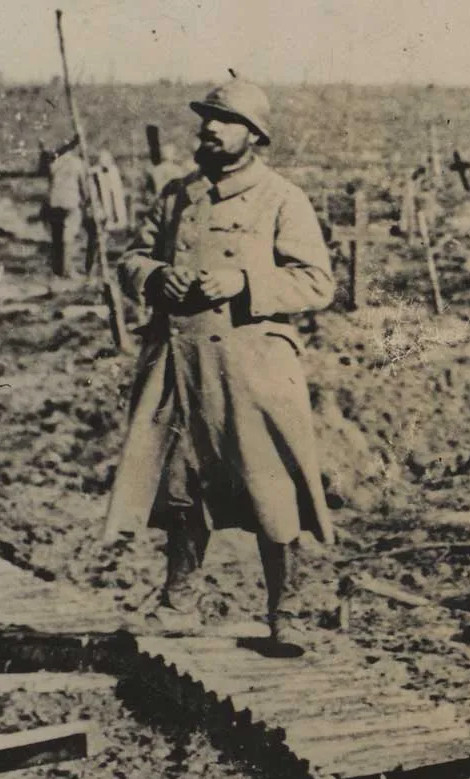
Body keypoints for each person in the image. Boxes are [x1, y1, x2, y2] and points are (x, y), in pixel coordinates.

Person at [103, 79, 336, 657]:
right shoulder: (177, 195)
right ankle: (178, 604)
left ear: (253, 136)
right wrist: (158, 277)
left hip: (251, 366)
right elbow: (132, 257)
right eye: (206, 118)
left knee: (270, 486)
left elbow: (317, 282)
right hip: (180, 362)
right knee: (180, 483)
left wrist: (244, 283)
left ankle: (286, 614)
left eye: (224, 121)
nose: (209, 128)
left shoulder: (283, 198)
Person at [44, 139, 92, 277]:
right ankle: (67, 270)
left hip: (54, 202)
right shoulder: (77, 163)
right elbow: (83, 186)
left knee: (56, 237)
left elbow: (50, 180)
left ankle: (57, 269)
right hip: (70, 202)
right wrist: (86, 200)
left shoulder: (55, 162)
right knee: (68, 236)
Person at [141, 143, 188, 214]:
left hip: (159, 204)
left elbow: (149, 192)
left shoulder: (154, 170)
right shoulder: (178, 170)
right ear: (172, 155)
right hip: (176, 204)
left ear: (162, 155)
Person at [92, 150, 128, 232]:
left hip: (112, 189)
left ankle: (119, 221)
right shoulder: (98, 170)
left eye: (107, 161)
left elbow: (117, 188)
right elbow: (93, 171)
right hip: (104, 190)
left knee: (116, 202)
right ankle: (109, 221)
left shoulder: (113, 170)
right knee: (106, 202)